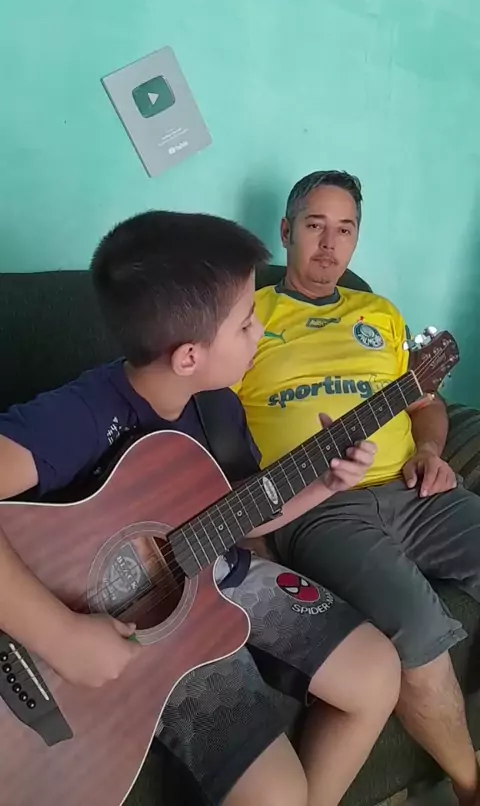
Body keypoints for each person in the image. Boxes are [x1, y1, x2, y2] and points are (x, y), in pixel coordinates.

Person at [0, 211, 400, 806]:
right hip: (130, 633)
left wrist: (322, 484)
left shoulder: (219, 407)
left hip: (218, 574)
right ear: (189, 355)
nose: (262, 331)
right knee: (276, 794)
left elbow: (237, 512)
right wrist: (59, 636)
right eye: (246, 322)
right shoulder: (81, 414)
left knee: (379, 672)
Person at [235, 170, 480, 806]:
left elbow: (425, 401)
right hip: (321, 509)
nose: (329, 244)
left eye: (344, 230)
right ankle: (470, 786)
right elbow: (204, 425)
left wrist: (430, 452)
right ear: (286, 230)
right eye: (315, 225)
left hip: (413, 489)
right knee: (414, 631)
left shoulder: (380, 313)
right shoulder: (246, 316)